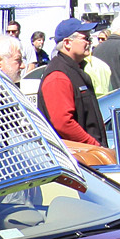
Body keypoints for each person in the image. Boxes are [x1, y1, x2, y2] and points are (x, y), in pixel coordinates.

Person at [37, 18, 105, 147]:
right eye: (85, 38)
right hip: (78, 158)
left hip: (88, 155)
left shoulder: (75, 70)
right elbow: (63, 122)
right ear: (67, 43)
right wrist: (93, 145)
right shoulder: (58, 76)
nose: (89, 42)